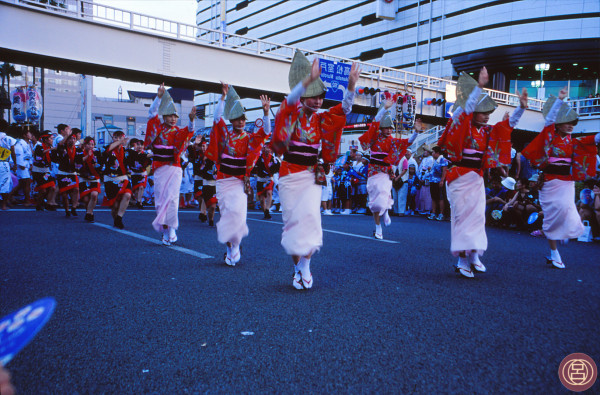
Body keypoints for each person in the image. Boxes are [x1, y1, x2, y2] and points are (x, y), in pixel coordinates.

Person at [271, 50, 359, 289]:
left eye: (320, 96)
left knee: (310, 220)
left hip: (311, 175)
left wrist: (350, 86)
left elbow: (345, 110)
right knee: (292, 223)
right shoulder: (290, 113)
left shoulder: (322, 119)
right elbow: (289, 101)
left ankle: (305, 266)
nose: (318, 101)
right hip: (289, 174)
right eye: (312, 96)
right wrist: (307, 81)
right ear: (303, 97)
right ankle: (296, 266)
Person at [437, 67, 528, 278]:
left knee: (478, 217)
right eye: (483, 112)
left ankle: (475, 254)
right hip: (459, 177)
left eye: (489, 113)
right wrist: (479, 87)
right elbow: (465, 109)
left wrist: (521, 108)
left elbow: (508, 126)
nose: (487, 116)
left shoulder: (487, 131)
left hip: (476, 178)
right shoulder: (460, 122)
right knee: (461, 218)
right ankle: (461, 259)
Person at [522, 88, 600, 268]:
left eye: (572, 123)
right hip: (549, 181)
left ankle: (563, 233)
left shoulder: (573, 142)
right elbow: (549, 120)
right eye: (566, 123)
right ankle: (554, 252)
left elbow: (594, 139)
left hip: (567, 182)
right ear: (557, 124)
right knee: (551, 215)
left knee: (567, 209)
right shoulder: (549, 137)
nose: (570, 126)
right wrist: (560, 99)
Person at [205, 83, 271, 265]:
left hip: (240, 181)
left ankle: (235, 246)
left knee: (239, 215)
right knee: (226, 215)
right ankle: (230, 248)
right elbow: (217, 118)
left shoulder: (249, 138)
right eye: (236, 119)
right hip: (224, 180)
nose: (240, 122)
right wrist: (223, 97)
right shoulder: (225, 135)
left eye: (242, 119)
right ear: (231, 120)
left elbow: (266, 132)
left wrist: (266, 113)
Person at [358, 100, 419, 239]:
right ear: (381, 128)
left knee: (384, 194)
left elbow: (408, 142)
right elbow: (374, 123)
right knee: (375, 201)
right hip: (374, 171)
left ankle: (385, 212)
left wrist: (416, 132)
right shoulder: (373, 137)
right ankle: (378, 227)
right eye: (387, 128)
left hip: (386, 172)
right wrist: (383, 109)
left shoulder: (392, 141)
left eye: (391, 128)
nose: (389, 130)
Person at [144, 84, 195, 244]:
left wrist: (191, 120)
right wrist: (159, 97)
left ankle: (172, 228)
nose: (173, 118)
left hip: (174, 168)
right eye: (170, 115)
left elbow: (189, 131)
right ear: (164, 116)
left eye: (175, 116)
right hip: (159, 168)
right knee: (160, 200)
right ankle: (165, 231)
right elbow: (151, 113)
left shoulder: (178, 132)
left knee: (172, 198)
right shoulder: (157, 129)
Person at [102, 130, 132, 229]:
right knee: (114, 206)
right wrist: (120, 141)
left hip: (122, 178)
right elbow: (107, 151)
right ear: (113, 139)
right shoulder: (108, 148)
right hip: (110, 179)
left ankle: (119, 218)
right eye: (116, 138)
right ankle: (116, 220)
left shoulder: (127, 151)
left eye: (120, 138)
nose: (118, 140)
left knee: (127, 195)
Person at [52, 132, 80, 217]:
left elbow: (81, 159)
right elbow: (60, 144)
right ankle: (67, 210)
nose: (72, 140)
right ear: (67, 140)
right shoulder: (62, 147)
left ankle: (74, 208)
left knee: (76, 189)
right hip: (63, 172)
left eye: (74, 139)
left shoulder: (78, 149)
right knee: (64, 194)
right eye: (70, 138)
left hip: (73, 172)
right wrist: (67, 135)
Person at [75, 136, 102, 222]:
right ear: (85, 145)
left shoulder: (97, 153)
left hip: (94, 178)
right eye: (89, 144)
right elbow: (79, 161)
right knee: (86, 199)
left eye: (92, 144)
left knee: (94, 195)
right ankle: (89, 212)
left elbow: (101, 163)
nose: (91, 146)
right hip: (84, 178)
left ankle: (89, 213)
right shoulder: (80, 153)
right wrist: (87, 157)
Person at [31, 131, 57, 211]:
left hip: (46, 170)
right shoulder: (39, 146)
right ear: (45, 140)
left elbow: (54, 159)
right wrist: (50, 149)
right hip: (37, 171)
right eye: (51, 138)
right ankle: (39, 204)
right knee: (43, 190)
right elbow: (38, 156)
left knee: (53, 187)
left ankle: (49, 203)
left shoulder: (51, 149)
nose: (52, 140)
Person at [254, 144, 279, 219]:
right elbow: (254, 167)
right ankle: (265, 212)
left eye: (268, 148)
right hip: (260, 179)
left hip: (269, 178)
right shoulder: (258, 158)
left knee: (269, 192)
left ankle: (267, 209)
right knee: (261, 200)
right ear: (262, 150)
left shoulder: (273, 159)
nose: (267, 150)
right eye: (265, 148)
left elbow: (277, 168)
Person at [10, 126, 34, 206]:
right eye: (29, 133)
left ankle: (8, 197)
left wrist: (30, 164)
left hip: (26, 165)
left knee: (21, 184)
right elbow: (18, 154)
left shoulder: (28, 144)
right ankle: (27, 201)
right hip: (22, 166)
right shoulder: (20, 143)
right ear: (24, 135)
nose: (30, 135)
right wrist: (21, 164)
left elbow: (30, 155)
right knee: (26, 182)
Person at [127, 138, 151, 209]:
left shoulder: (146, 154)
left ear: (143, 146)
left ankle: (139, 201)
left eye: (141, 145)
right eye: (138, 145)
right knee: (136, 190)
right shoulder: (131, 153)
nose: (139, 146)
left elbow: (149, 160)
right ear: (135, 145)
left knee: (141, 187)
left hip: (142, 173)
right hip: (134, 174)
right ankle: (138, 201)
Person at [0, 128, 17, 210]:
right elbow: (13, 152)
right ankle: (3, 205)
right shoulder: (8, 139)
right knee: (5, 184)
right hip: (4, 163)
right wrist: (15, 164)